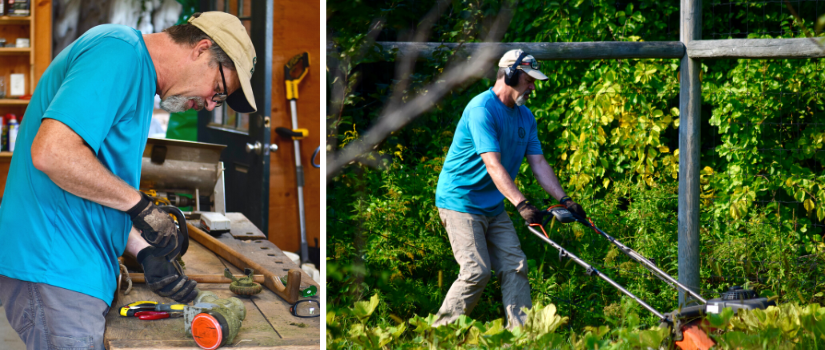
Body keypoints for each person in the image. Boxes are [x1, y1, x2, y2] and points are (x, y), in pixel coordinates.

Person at [0, 11, 257, 349]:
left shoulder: (138, 77)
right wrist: (141, 206)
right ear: (201, 49)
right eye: (219, 91)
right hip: (56, 268)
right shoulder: (117, 52)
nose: (211, 105)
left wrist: (144, 250)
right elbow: (52, 153)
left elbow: (89, 184)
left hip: (72, 268)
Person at [433, 49, 587, 328]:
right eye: (529, 80)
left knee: (516, 266)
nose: (532, 87)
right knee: (476, 272)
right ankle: (437, 336)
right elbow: (493, 165)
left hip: (492, 206)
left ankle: (521, 337)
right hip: (461, 201)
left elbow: (539, 164)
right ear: (510, 75)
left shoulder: (526, 117)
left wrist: (565, 199)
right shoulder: (482, 110)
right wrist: (521, 204)